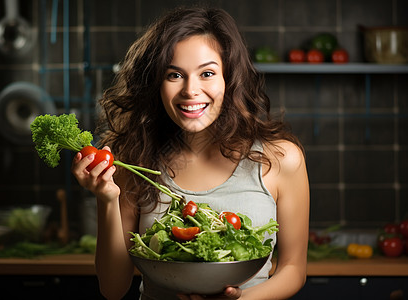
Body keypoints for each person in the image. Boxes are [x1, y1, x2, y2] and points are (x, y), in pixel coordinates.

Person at [72, 6, 309, 300]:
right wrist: (107, 200)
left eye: (207, 73)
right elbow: (113, 288)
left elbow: (294, 269)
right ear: (157, 83)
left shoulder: (282, 159)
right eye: (174, 75)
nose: (190, 90)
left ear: (229, 78)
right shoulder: (134, 161)